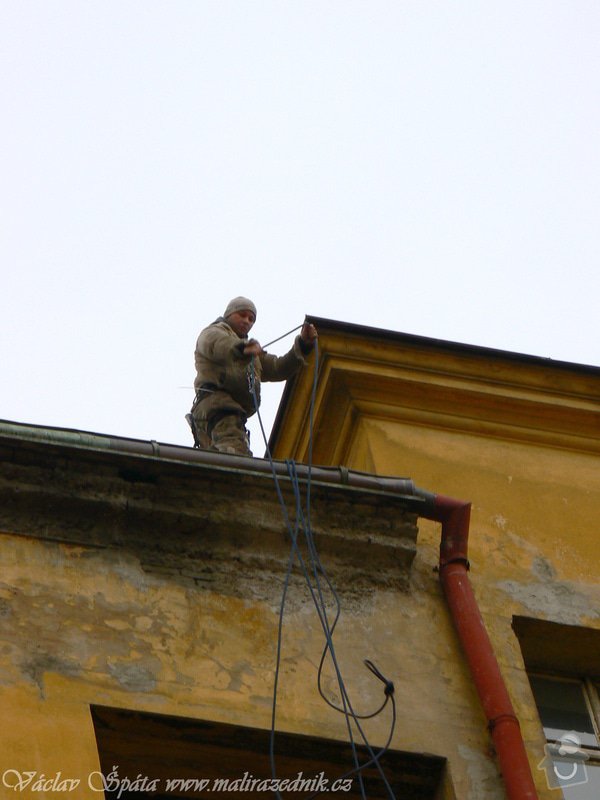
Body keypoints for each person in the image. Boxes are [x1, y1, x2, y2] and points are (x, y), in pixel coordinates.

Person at [188, 296, 317, 455]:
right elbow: (219, 345)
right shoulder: (213, 332)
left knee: (226, 454)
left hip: (227, 412)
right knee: (234, 453)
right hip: (217, 406)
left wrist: (303, 345)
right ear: (229, 314)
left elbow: (277, 367)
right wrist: (242, 349)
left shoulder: (251, 354)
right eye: (242, 315)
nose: (247, 321)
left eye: (251, 319)